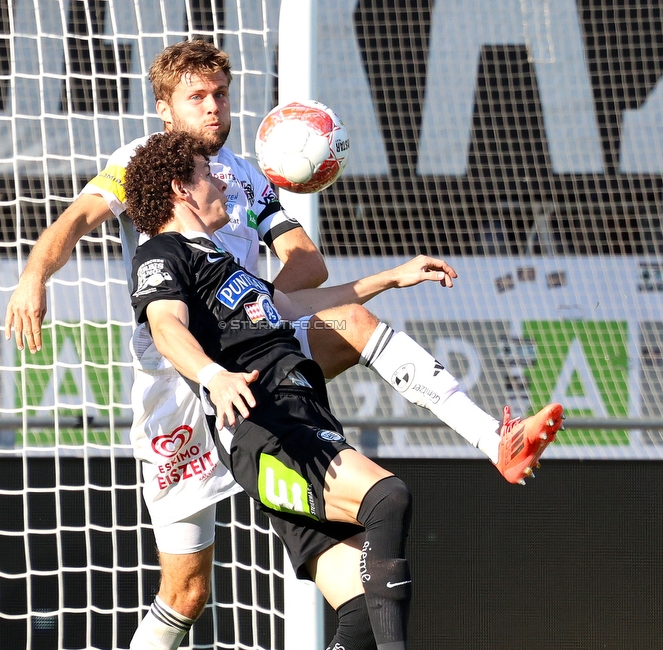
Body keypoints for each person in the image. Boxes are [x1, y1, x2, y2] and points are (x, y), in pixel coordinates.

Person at [4, 39, 562, 650]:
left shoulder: (243, 174)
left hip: (256, 367)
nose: (214, 108)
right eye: (197, 98)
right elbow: (79, 222)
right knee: (187, 592)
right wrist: (33, 277)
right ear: (166, 108)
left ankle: (492, 440)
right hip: (180, 386)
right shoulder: (146, 164)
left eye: (221, 94)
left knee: (351, 324)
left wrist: (253, 308)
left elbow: (305, 259)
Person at [122, 130, 563, 650]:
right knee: (388, 497)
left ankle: (494, 442)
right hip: (268, 428)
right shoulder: (161, 252)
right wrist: (214, 376)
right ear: (180, 188)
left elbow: (292, 305)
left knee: (359, 615)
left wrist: (392, 277)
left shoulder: (219, 260)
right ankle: (494, 444)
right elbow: (165, 325)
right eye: (206, 171)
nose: (221, 178)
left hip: (299, 414)